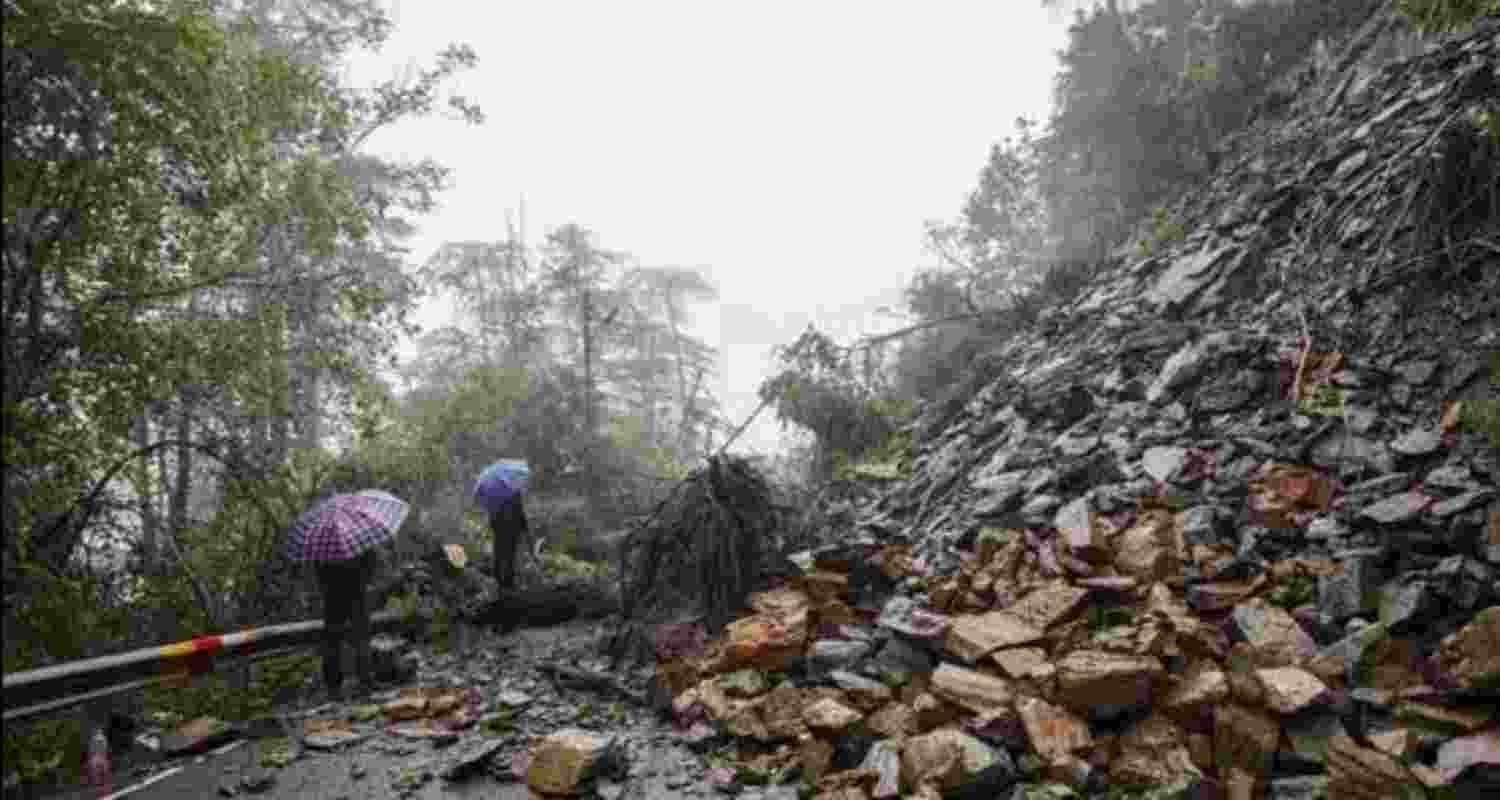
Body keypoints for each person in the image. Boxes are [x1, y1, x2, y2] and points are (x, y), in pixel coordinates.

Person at [314, 549, 376, 700]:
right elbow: (370, 561)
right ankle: (364, 682)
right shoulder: (358, 537)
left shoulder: (325, 544)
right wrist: (364, 579)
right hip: (356, 592)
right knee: (361, 638)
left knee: (333, 641)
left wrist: (325, 586)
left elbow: (319, 569)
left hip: (333, 594)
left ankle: (334, 687)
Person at [489, 494, 529, 591]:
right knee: (508, 556)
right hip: (511, 529)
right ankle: (507, 582)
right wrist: (524, 527)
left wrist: (494, 526)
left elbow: (493, 513)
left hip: (503, 529)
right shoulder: (515, 492)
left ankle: (500, 581)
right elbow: (520, 510)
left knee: (501, 556)